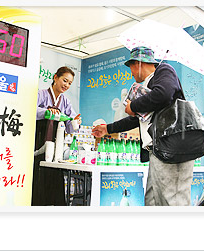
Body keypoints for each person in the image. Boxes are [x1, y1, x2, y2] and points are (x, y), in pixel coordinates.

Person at [92, 46, 195, 206]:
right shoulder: (149, 88)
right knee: (152, 202)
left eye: (131, 67)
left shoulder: (164, 70)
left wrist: (133, 106)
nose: (131, 73)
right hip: (157, 151)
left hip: (173, 148)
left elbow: (164, 94)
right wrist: (108, 129)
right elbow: (136, 120)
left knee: (172, 203)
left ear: (138, 64)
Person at [32, 66, 81, 206]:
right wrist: (47, 111)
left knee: (54, 178)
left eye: (70, 83)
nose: (66, 85)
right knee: (38, 178)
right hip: (38, 142)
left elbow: (70, 127)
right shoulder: (41, 94)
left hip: (56, 148)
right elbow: (29, 109)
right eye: (64, 80)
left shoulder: (65, 102)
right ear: (55, 77)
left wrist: (75, 122)